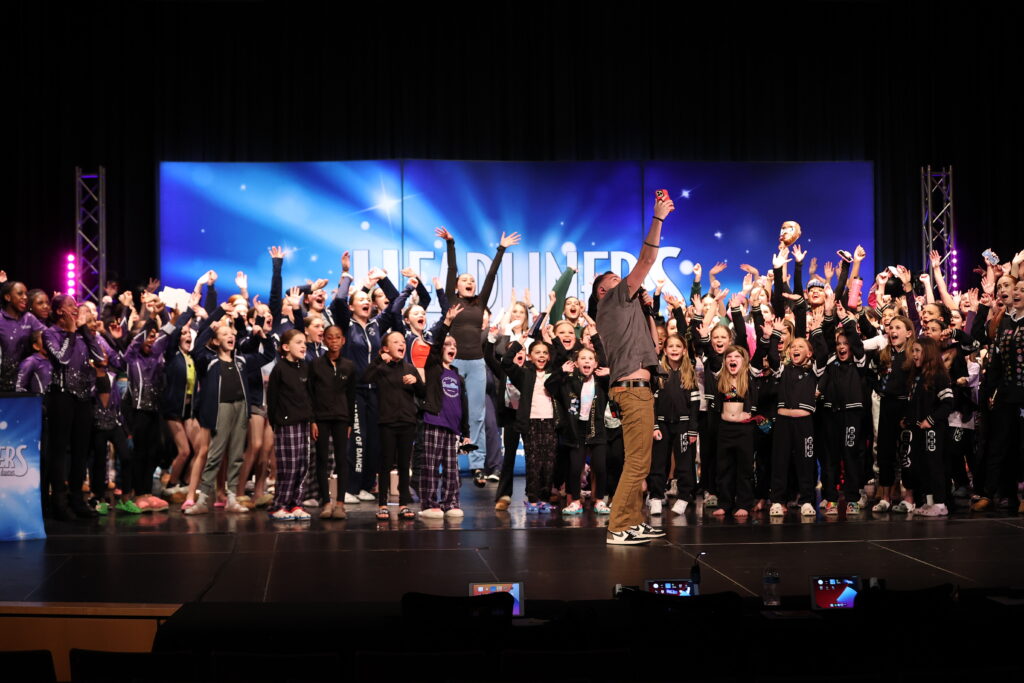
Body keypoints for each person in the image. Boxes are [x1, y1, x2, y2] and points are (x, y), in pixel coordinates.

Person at [594, 195, 674, 545]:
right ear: (602, 291)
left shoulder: (628, 310)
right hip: (631, 389)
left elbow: (654, 346)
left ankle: (632, 519)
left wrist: (648, 310)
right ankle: (617, 527)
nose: (625, 280)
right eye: (615, 278)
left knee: (639, 461)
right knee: (638, 463)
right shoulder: (612, 301)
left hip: (637, 388)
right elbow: (647, 258)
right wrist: (658, 218)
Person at [437, 226, 521, 486]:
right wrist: (451, 244)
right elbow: (451, 270)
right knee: (449, 414)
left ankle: (477, 465)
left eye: (472, 280)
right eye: (465, 280)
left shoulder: (480, 302)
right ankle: (448, 462)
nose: (470, 283)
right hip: (451, 364)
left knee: (477, 415)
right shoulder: (453, 300)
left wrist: (501, 249)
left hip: (475, 363)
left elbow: (492, 275)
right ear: (457, 286)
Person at [362, 331, 425, 522]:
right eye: (395, 342)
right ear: (386, 348)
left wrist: (416, 383)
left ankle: (403, 504)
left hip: (407, 422)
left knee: (405, 465)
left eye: (402, 342)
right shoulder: (382, 367)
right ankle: (382, 504)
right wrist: (378, 360)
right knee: (385, 464)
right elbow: (365, 378)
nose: (401, 344)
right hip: (387, 422)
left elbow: (423, 394)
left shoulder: (410, 368)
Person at [419, 304, 471, 518]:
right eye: (448, 344)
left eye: (454, 345)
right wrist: (447, 323)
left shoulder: (457, 375)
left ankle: (451, 502)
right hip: (434, 422)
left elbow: (463, 405)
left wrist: (465, 433)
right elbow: (436, 343)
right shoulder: (433, 367)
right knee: (430, 467)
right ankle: (429, 503)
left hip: (453, 429)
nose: (451, 347)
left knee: (452, 470)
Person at [266, 329, 314, 521]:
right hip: (287, 424)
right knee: (289, 466)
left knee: (303, 465)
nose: (303, 346)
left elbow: (310, 395)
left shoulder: (305, 367)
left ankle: (296, 503)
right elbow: (272, 398)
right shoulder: (280, 369)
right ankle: (279, 504)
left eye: (304, 342)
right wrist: (277, 422)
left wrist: (311, 418)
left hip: (303, 422)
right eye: (298, 342)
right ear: (286, 347)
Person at [309, 325, 356, 519]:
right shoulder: (316, 365)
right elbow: (310, 393)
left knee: (342, 459)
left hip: (341, 418)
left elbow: (352, 395)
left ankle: (340, 504)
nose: (334, 341)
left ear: (343, 340)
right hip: (321, 417)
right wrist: (312, 420)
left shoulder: (349, 366)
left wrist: (350, 422)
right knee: (321, 459)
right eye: (330, 337)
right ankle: (326, 503)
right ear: (324, 340)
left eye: (337, 337)